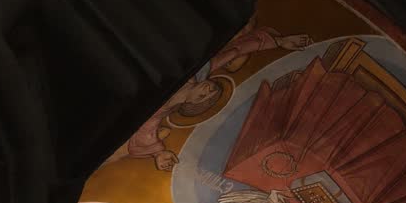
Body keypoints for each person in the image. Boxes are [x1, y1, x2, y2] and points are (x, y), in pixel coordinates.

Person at [112, 21, 312, 169]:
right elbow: (236, 50)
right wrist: (279, 41)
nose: (208, 88)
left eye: (204, 95)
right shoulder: (200, 71)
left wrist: (159, 154)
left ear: (191, 102)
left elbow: (144, 135)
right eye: (213, 89)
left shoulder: (158, 111)